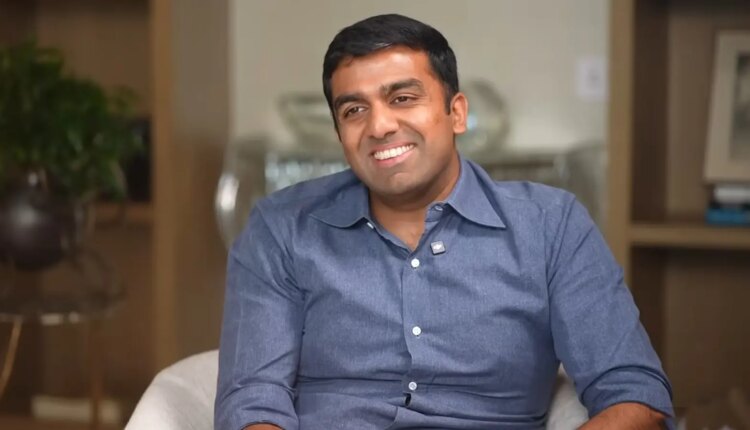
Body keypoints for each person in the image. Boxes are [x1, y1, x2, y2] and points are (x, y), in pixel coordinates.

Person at [215, 13, 673, 430]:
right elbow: (252, 400)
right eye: (354, 110)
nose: (379, 126)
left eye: (403, 98)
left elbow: (635, 395)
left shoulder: (550, 226)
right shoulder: (281, 228)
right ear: (340, 133)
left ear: (457, 113)